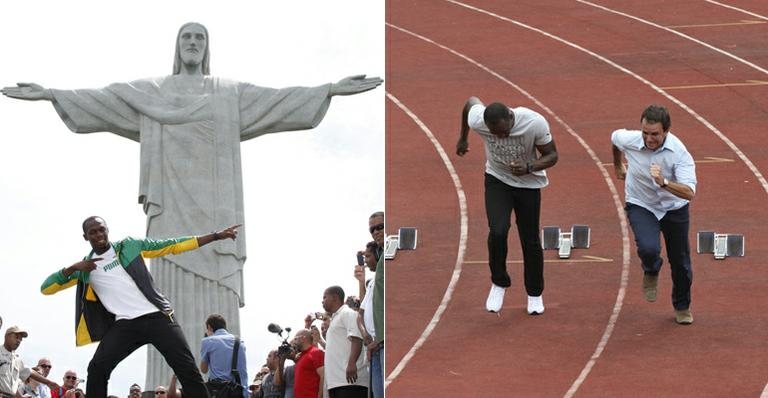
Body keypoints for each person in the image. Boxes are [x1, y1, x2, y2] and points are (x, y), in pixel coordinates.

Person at [1, 21, 382, 388]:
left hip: (218, 207)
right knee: (161, 291)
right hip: (168, 206)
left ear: (207, 47)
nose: (193, 43)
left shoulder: (227, 92)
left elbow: (277, 99)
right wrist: (53, 94)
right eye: (187, 36)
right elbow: (105, 99)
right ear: (177, 46)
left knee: (204, 289)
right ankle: (159, 385)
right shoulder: (152, 92)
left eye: (200, 37)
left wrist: (329, 89)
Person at [40, 216, 241, 397]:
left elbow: (172, 245)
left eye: (101, 229)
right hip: (125, 325)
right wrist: (72, 268)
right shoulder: (85, 268)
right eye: (93, 232)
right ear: (86, 237)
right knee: (97, 369)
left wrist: (215, 236)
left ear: (107, 229)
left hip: (157, 317)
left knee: (187, 369)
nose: (99, 234)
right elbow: (46, 288)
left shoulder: (129, 246)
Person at [456, 97, 558, 314]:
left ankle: (534, 293)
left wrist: (530, 166)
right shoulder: (478, 121)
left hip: (528, 183)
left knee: (529, 238)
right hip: (497, 179)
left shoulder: (534, 122)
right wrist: (463, 138)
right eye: (495, 134)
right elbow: (470, 103)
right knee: (498, 230)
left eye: (504, 132)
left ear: (511, 117)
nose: (500, 137)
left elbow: (552, 155)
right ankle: (499, 282)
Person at [611, 105, 697, 325]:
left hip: (673, 207)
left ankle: (682, 306)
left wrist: (664, 183)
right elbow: (615, 139)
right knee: (649, 248)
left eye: (655, 134)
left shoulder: (679, 153)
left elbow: (689, 192)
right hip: (641, 203)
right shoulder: (629, 139)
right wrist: (618, 164)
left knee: (681, 262)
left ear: (666, 131)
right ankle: (651, 270)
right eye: (645, 133)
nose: (649, 139)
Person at [322, 286, 368, 398]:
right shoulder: (334, 319)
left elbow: (357, 338)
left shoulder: (347, 313)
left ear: (334, 297)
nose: (322, 301)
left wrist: (352, 363)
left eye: (324, 297)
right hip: (336, 383)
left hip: (349, 382)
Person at [0, 326, 59, 397]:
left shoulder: (16, 359)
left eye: (20, 339)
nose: (19, 341)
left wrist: (48, 382)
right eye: (16, 337)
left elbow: (29, 372)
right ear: (7, 336)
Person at [355, 242, 382, 398]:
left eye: (368, 256)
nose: (365, 260)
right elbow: (361, 312)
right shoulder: (371, 282)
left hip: (380, 344)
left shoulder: (381, 280)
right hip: (371, 346)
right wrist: (365, 335)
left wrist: (377, 339)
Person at [200, 314, 248, 398]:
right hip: (237, 392)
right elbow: (243, 373)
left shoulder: (208, 341)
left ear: (209, 327)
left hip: (217, 391)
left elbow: (204, 370)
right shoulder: (239, 342)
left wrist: (206, 338)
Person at [290, 330, 324, 398]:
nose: (294, 342)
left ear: (303, 338)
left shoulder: (315, 352)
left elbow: (323, 376)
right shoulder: (300, 357)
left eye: (296, 338)